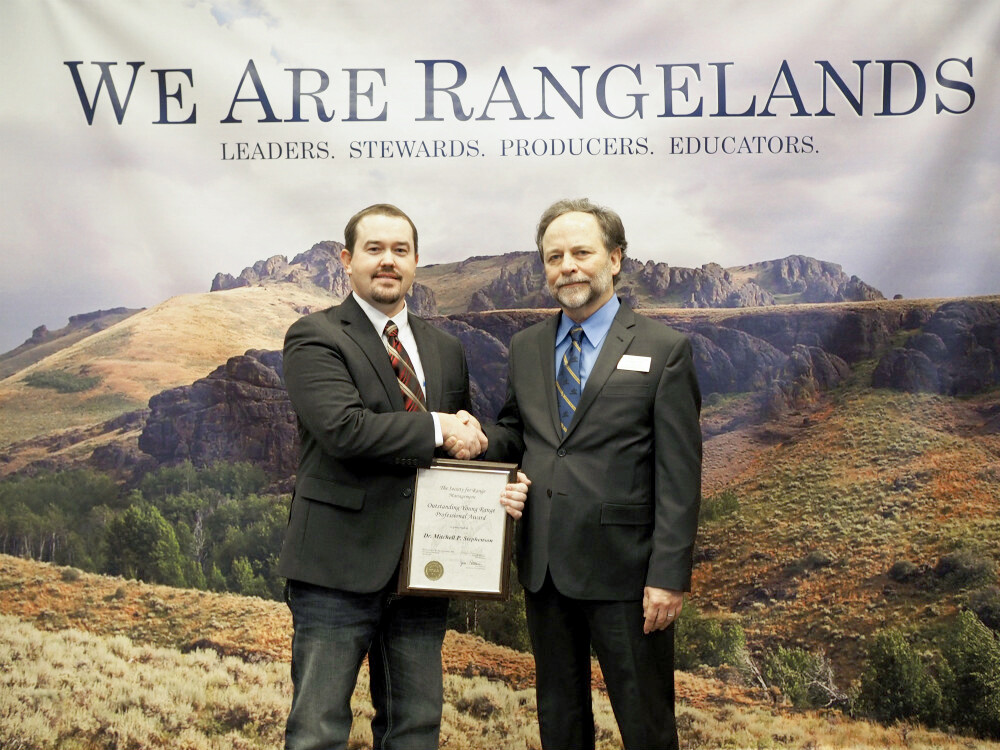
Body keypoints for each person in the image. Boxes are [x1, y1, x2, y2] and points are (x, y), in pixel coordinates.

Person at [277, 203, 528, 750]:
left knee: (414, 729)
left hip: (424, 571)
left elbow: (457, 446)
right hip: (335, 570)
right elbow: (345, 430)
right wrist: (442, 426)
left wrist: (488, 456)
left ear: (416, 262)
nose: (387, 261)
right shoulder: (314, 336)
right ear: (347, 261)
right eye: (374, 249)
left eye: (400, 250)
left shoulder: (445, 349)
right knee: (317, 730)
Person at [484, 198, 702, 750]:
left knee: (646, 722)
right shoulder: (526, 346)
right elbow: (521, 432)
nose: (567, 267)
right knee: (559, 720)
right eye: (553, 257)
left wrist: (669, 574)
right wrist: (481, 440)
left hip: (629, 576)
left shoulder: (663, 349)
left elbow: (680, 475)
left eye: (581, 252)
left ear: (615, 258)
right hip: (546, 565)